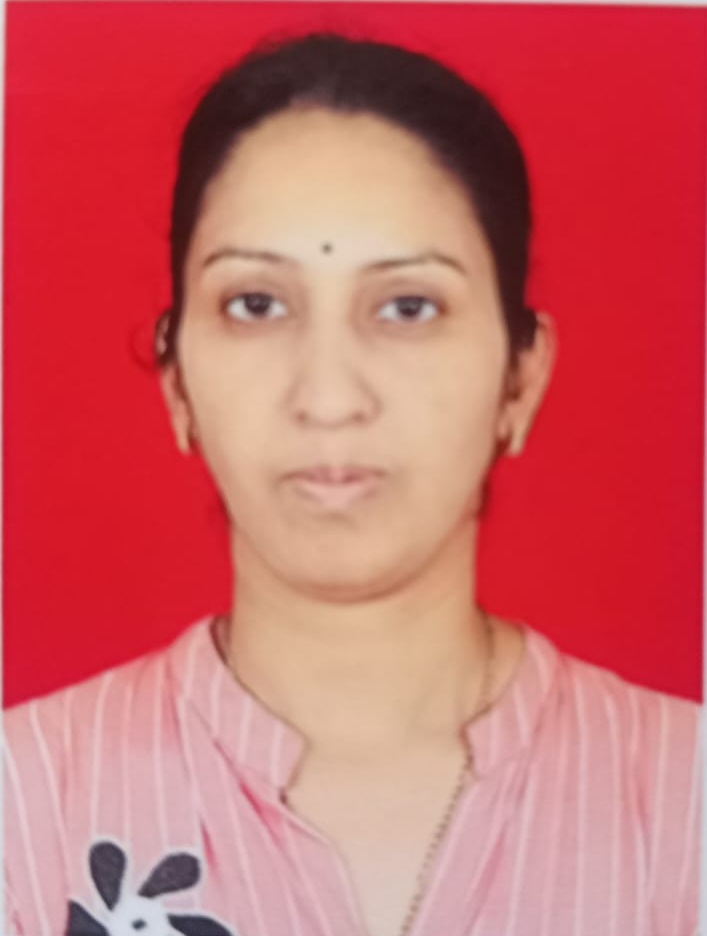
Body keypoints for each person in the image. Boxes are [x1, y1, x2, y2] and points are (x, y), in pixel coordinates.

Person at [3, 31, 700, 936]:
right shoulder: (27, 801)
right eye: (256, 304)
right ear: (176, 382)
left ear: (520, 379)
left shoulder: (684, 800)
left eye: (407, 307)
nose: (328, 398)